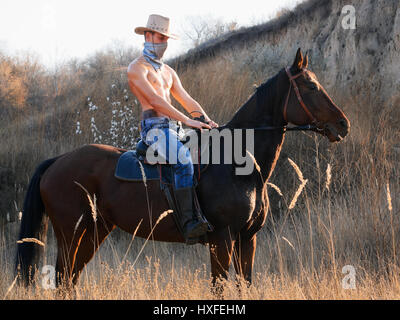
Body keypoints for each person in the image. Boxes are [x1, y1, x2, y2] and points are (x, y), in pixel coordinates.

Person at [127, 14, 218, 243]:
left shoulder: (168, 71)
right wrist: (189, 121)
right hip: (154, 128)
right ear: (148, 36)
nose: (164, 43)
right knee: (183, 160)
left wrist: (206, 120)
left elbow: (186, 99)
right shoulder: (136, 69)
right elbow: (157, 102)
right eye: (160, 37)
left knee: (212, 155)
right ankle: (189, 223)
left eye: (166, 38)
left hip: (174, 128)